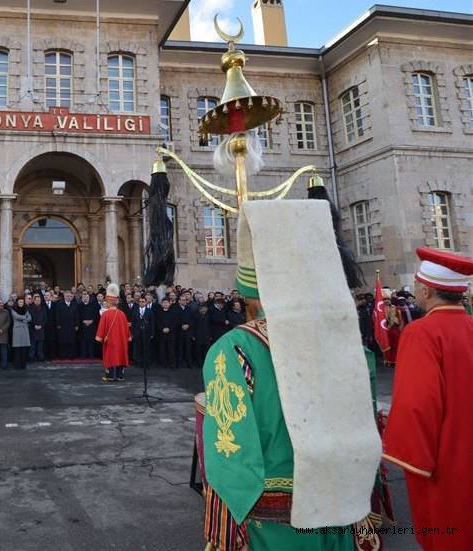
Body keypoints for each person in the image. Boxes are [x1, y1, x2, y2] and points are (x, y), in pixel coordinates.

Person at [201, 201, 381, 551]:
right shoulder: (349, 343)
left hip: (276, 521)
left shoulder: (235, 347)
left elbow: (229, 452)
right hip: (341, 502)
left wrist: (226, 526)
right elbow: (366, 420)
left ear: (248, 297)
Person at [382, 248, 473, 551]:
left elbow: (416, 404)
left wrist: (408, 453)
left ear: (426, 290)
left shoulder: (421, 332)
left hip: (446, 458)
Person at [95, 284, 131, 382]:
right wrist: (127, 337)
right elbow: (126, 328)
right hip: (121, 340)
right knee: (120, 355)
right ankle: (120, 376)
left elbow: (101, 328)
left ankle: (110, 376)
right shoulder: (122, 314)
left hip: (109, 340)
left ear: (109, 302)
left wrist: (100, 337)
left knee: (110, 356)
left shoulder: (105, 314)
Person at [130, 296, 154, 367]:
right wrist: (132, 333)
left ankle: (147, 363)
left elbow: (152, 322)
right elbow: (133, 322)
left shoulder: (149, 311)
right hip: (137, 332)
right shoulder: (135, 310)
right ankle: (138, 362)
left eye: (143, 301)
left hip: (147, 332)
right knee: (138, 348)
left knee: (147, 348)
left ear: (146, 302)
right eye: (140, 301)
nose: (141, 303)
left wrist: (152, 333)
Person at [174, 292, 196, 369]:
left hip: (188, 332)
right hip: (179, 332)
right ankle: (179, 364)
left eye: (185, 300)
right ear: (179, 301)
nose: (184, 301)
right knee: (179, 349)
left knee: (188, 349)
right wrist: (181, 325)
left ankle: (189, 364)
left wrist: (188, 325)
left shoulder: (189, 309)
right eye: (182, 300)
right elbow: (175, 320)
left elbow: (193, 319)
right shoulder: (175, 309)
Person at [55, 291, 79, 359]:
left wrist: (77, 325)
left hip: (72, 325)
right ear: (64, 296)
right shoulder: (59, 304)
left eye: (70, 296)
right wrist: (58, 324)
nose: (69, 297)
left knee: (71, 341)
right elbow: (57, 315)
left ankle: (71, 355)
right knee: (63, 341)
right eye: (67, 296)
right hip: (62, 326)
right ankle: (63, 355)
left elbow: (77, 315)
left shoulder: (75, 304)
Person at [10, 297, 32, 370]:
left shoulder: (26, 310)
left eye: (22, 302)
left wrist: (23, 318)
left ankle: (23, 364)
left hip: (25, 330)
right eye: (19, 302)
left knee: (24, 348)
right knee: (17, 349)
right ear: (17, 303)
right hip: (17, 331)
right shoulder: (13, 310)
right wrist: (24, 318)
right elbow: (16, 316)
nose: (21, 303)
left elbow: (30, 318)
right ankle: (17, 365)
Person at [155, 297, 176, 368]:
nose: (165, 304)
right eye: (164, 303)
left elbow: (175, 322)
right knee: (162, 350)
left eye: (167, 303)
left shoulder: (173, 312)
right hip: (161, 334)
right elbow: (157, 322)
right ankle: (163, 364)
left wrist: (169, 328)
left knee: (171, 350)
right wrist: (162, 329)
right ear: (161, 304)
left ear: (169, 303)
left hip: (171, 333)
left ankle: (172, 364)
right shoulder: (158, 312)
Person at [77, 292, 100, 358]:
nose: (86, 298)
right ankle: (83, 355)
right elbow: (77, 315)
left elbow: (96, 315)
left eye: (87, 297)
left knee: (91, 341)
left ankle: (91, 355)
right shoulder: (79, 305)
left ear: (89, 298)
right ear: (82, 298)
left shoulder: (93, 305)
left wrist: (92, 321)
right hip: (82, 326)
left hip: (91, 326)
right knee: (83, 341)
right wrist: (83, 321)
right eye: (84, 297)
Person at [28, 293, 47, 362]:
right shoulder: (30, 308)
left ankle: (40, 357)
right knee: (32, 345)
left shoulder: (43, 308)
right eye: (36, 300)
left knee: (40, 345)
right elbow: (29, 318)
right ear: (34, 300)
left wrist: (41, 325)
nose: (38, 301)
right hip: (33, 329)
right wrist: (34, 325)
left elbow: (45, 319)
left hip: (41, 329)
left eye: (39, 300)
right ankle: (31, 357)